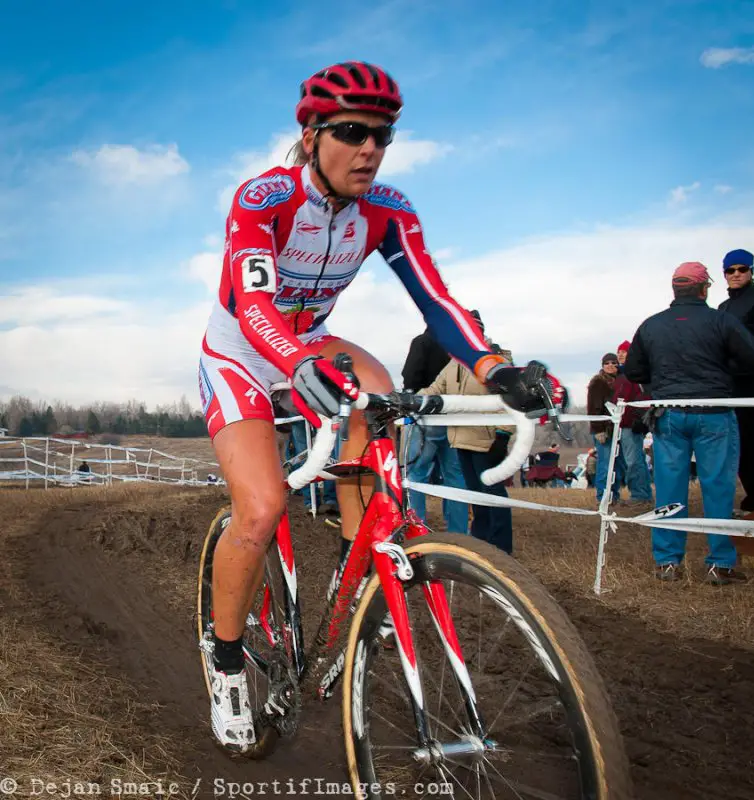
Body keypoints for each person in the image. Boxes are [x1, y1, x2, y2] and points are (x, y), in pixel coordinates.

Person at [196, 61, 565, 753]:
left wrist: (494, 368)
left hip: (310, 340)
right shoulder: (263, 197)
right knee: (262, 507)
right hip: (242, 350)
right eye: (351, 132)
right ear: (310, 137)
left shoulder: (387, 210)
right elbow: (251, 304)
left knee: (380, 395)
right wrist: (298, 362)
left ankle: (355, 575)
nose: (369, 148)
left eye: (382, 135)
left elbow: (436, 300)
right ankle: (224, 665)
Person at [624, 261, 754, 584]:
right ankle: (720, 564)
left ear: (675, 289)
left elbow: (633, 370)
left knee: (670, 490)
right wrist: (725, 366)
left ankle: (667, 563)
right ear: (705, 289)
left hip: (669, 414)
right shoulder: (721, 321)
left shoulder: (651, 325)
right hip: (714, 412)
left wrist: (662, 377)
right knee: (718, 487)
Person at [419, 314, 516, 553]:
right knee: (476, 496)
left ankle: (503, 548)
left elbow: (513, 399)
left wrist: (503, 435)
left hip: (488, 441)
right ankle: (481, 544)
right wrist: (408, 399)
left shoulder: (497, 362)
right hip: (460, 439)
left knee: (494, 495)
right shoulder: (454, 364)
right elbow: (435, 389)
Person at [401, 326, 468, 534]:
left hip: (426, 416)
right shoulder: (458, 347)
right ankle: (458, 531)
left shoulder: (422, 342)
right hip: (455, 417)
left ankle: (416, 528)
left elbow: (410, 376)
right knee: (455, 477)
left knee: (416, 474)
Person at [717, 248, 754, 513]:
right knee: (740, 447)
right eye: (730, 270)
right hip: (731, 388)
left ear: (751, 271)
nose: (736, 274)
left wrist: (736, 363)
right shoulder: (723, 308)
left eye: (742, 269)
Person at [611, 349, 653, 504]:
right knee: (631, 460)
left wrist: (638, 417)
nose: (620, 355)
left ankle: (640, 494)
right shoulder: (620, 376)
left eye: (625, 352)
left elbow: (645, 396)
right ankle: (642, 493)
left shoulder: (637, 373)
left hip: (631, 424)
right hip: (619, 424)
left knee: (634, 460)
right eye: (619, 352)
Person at [587, 353, 623, 505]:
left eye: (613, 362)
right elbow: (593, 407)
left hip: (620, 428)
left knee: (618, 465)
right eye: (606, 363)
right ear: (602, 365)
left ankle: (614, 495)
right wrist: (598, 429)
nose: (610, 365)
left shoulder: (621, 381)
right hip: (604, 429)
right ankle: (602, 496)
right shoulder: (598, 382)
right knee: (605, 463)